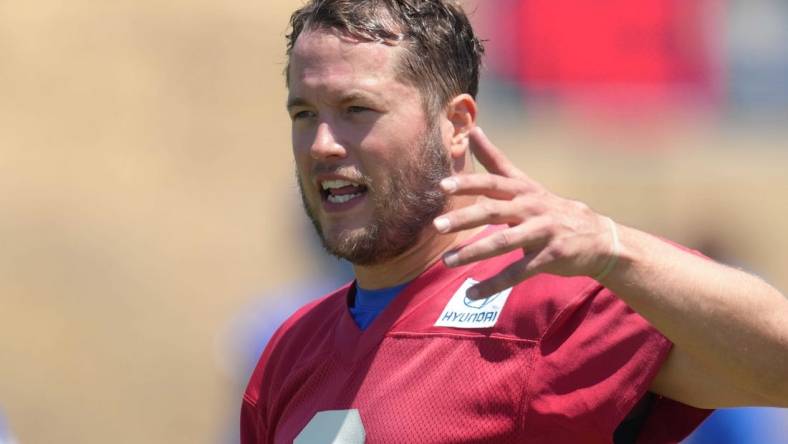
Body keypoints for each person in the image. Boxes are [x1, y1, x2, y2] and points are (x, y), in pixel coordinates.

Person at [241, 1, 788, 442]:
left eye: (356, 109)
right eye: (304, 114)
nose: (322, 144)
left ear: (455, 125)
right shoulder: (289, 350)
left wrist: (611, 248)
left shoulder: (547, 305)